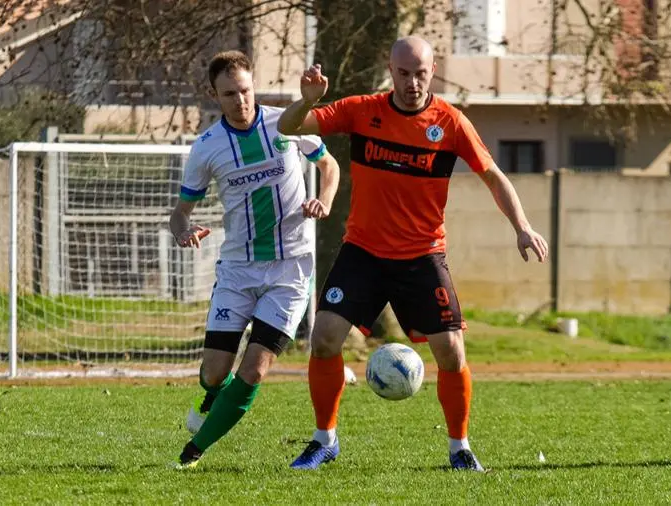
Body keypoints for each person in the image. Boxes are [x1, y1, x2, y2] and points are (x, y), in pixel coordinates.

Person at [278, 36, 548, 471]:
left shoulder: (452, 123)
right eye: (403, 73)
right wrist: (307, 100)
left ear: (433, 70)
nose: (412, 82)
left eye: (420, 73)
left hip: (422, 256)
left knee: (452, 352)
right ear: (391, 70)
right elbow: (289, 127)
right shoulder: (363, 110)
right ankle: (323, 440)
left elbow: (493, 176)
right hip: (363, 252)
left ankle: (460, 448)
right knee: (324, 338)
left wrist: (522, 226)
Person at [170, 50, 341, 469]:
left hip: (290, 269)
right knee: (214, 373)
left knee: (256, 367)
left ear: (253, 86)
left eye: (245, 90)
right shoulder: (207, 147)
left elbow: (330, 165)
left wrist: (325, 199)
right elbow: (181, 211)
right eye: (229, 94)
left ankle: (193, 452)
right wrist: (181, 229)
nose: (240, 100)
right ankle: (214, 395)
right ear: (216, 96)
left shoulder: (285, 123)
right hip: (238, 270)